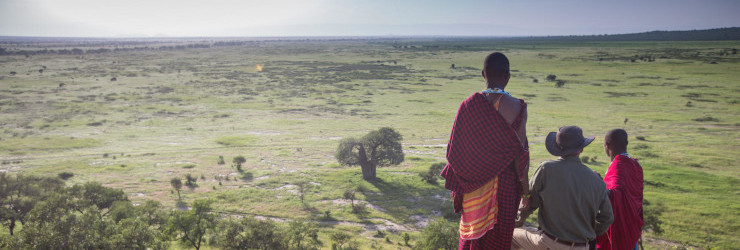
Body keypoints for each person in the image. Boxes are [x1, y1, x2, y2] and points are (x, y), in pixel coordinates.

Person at [441, 52, 529, 249]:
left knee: (472, 241)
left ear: (483, 74)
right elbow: (520, 157)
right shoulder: (517, 107)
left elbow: (454, 153)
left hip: (472, 188)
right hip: (504, 187)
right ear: (507, 76)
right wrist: (526, 193)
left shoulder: (467, 106)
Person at [512, 126, 613, 250]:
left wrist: (517, 222)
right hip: (582, 246)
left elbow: (530, 204)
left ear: (557, 148)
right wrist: (588, 231)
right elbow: (607, 217)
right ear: (581, 149)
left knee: (511, 235)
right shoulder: (596, 180)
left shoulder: (546, 169)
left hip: (550, 242)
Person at [597, 129, 644, 250]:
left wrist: (596, 183)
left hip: (619, 229)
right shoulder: (637, 165)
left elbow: (614, 194)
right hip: (633, 227)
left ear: (607, 145)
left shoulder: (617, 166)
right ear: (626, 143)